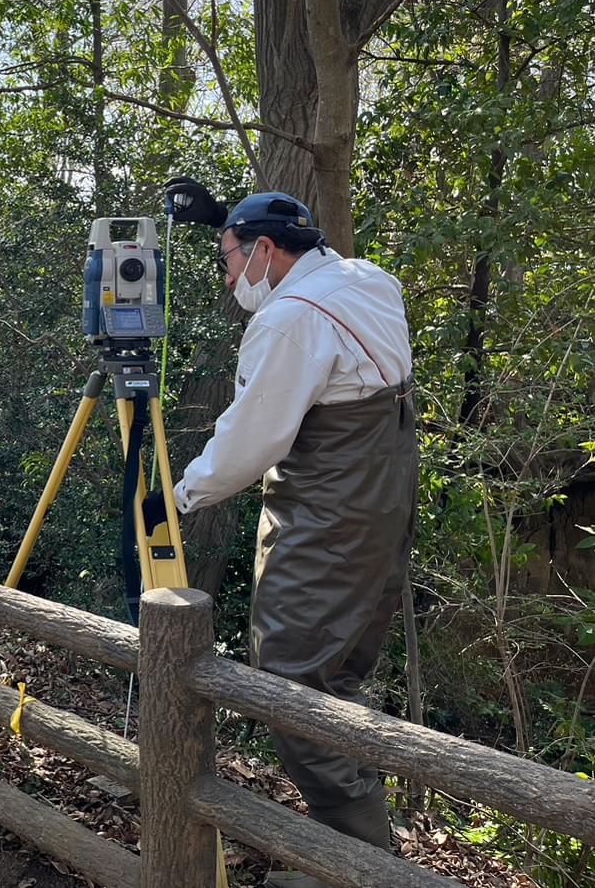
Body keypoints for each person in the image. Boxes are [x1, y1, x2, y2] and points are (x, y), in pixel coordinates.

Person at [145, 180, 418, 884]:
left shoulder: (289, 317)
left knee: (293, 684)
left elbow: (251, 439)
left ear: (266, 249)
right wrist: (221, 213)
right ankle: (351, 857)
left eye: (229, 260)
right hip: (380, 499)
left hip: (329, 511)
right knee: (337, 679)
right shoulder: (364, 278)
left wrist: (175, 497)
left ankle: (361, 868)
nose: (228, 277)